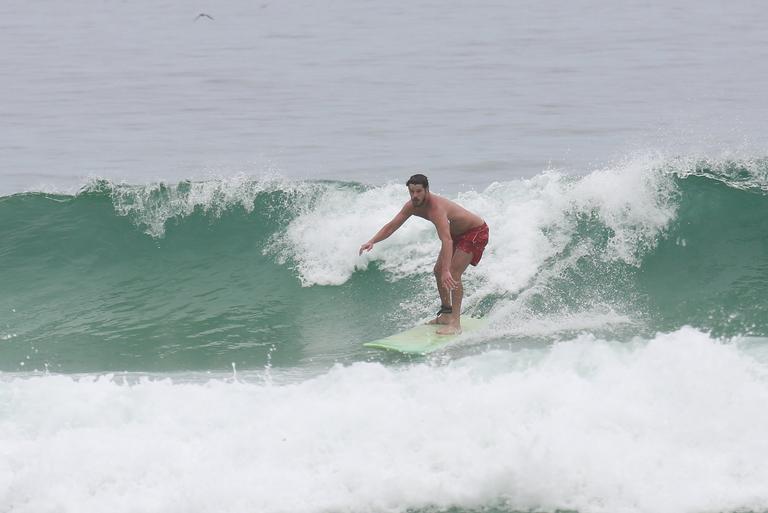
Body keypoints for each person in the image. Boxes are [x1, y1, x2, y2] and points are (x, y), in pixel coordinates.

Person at [359, 174, 489, 334]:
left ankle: (455, 324)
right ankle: (446, 314)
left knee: (453, 274)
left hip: (474, 232)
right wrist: (372, 241)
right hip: (455, 235)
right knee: (438, 271)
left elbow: (446, 241)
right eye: (411, 191)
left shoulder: (437, 209)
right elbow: (391, 226)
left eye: (418, 191)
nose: (415, 195)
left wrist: (447, 270)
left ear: (427, 190)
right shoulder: (411, 206)